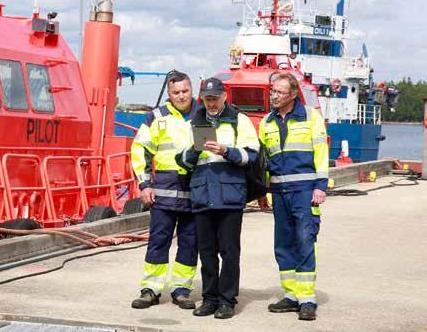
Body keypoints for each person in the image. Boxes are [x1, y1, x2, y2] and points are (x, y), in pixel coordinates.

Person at [175, 77, 260, 319]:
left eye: (215, 98)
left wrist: (226, 150)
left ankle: (227, 301)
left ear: (224, 97)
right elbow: (180, 160)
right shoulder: (194, 122)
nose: (211, 103)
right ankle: (210, 299)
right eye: (207, 99)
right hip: (203, 195)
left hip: (229, 195)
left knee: (230, 251)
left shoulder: (238, 120)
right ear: (202, 99)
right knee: (207, 251)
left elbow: (251, 155)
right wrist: (194, 150)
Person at [258, 72, 328, 321]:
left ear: (293, 94)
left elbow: (321, 152)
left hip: (305, 192)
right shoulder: (266, 122)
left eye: (279, 92)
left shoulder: (311, 117)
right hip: (278, 193)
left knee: (304, 242)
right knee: (283, 246)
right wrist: (262, 191)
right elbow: (263, 161)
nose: (273, 96)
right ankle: (291, 296)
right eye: (272, 91)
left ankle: (307, 299)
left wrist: (321, 186)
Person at [130, 71, 199, 310]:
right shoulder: (156, 117)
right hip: (164, 191)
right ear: (169, 94)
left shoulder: (204, 116)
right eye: (176, 92)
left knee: (190, 243)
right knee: (158, 241)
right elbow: (140, 150)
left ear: (193, 90)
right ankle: (151, 289)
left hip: (195, 191)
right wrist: (144, 184)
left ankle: (181, 289)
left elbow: (210, 151)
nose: (181, 96)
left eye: (185, 91)